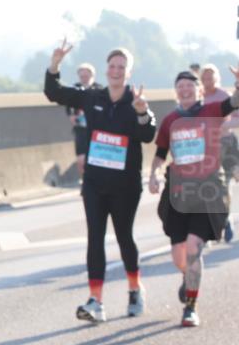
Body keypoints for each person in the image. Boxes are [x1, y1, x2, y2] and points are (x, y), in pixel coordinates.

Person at [45, 40, 156, 322]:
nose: (116, 71)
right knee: (95, 239)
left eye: (122, 67)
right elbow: (54, 92)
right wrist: (55, 64)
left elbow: (147, 135)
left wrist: (142, 113)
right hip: (95, 183)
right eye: (112, 66)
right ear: (106, 70)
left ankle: (134, 288)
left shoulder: (137, 101)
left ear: (128, 73)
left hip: (125, 185)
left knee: (124, 237)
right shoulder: (92, 97)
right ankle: (96, 300)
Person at [150, 69, 239, 326]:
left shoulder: (212, 110)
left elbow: (234, 101)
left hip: (208, 192)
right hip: (179, 194)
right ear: (176, 91)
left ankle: (191, 306)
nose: (185, 89)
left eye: (190, 85)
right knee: (179, 256)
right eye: (181, 86)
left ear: (199, 90)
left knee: (193, 247)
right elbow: (160, 153)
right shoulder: (170, 120)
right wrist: (154, 174)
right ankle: (188, 276)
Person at [198, 63, 239, 243]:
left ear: (217, 78)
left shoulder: (224, 96)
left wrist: (222, 126)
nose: (208, 81)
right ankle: (214, 222)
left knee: (225, 185)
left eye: (211, 77)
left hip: (225, 144)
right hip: (204, 147)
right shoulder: (198, 97)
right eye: (204, 78)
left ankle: (226, 219)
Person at [66, 63, 100, 177]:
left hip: (96, 130)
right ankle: (85, 181)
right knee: (81, 159)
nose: (84, 79)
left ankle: (94, 181)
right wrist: (71, 116)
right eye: (82, 77)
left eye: (87, 76)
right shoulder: (74, 89)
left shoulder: (100, 90)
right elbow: (68, 106)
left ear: (93, 76)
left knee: (94, 160)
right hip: (80, 129)